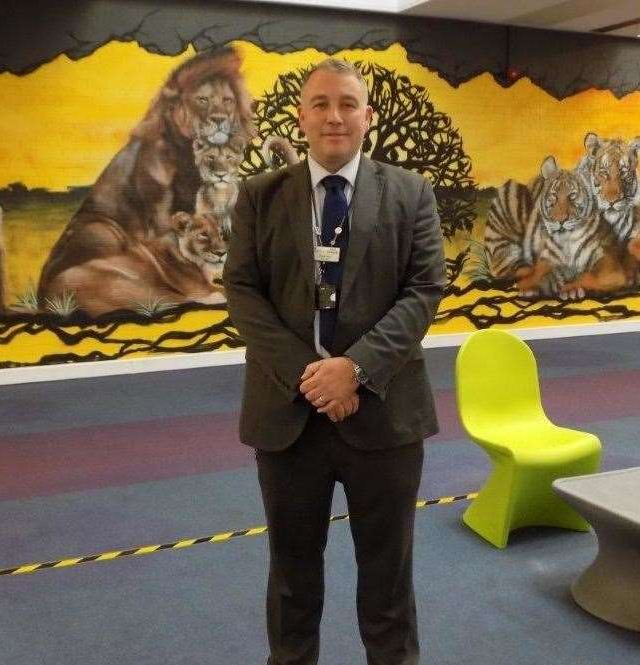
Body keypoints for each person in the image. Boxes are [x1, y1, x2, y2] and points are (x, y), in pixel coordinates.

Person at [223, 57, 445, 665]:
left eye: (347, 103)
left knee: (387, 580)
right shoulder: (260, 197)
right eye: (320, 103)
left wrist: (356, 369)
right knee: (292, 578)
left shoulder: (410, 193)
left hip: (384, 415)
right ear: (300, 115)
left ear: (367, 117)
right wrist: (312, 375)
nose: (334, 116)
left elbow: (424, 291)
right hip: (289, 420)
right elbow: (242, 292)